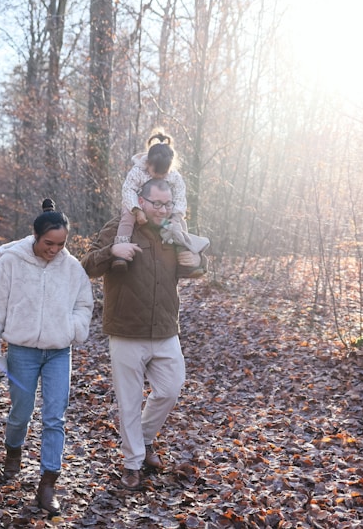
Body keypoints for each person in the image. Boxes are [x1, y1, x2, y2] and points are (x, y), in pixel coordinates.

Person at [81, 178, 207, 491]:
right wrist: (113, 250)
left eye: (167, 204)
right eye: (156, 204)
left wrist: (199, 262)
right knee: (129, 401)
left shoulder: (174, 229)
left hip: (165, 329)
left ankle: (145, 440)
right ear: (141, 200)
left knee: (170, 389)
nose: (162, 210)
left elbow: (194, 265)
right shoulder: (119, 227)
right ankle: (132, 464)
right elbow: (87, 264)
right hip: (126, 330)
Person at [0, 199, 93, 515]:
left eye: (61, 244)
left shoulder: (72, 267)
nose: (54, 250)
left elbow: (84, 304)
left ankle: (48, 482)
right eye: (48, 243)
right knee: (21, 411)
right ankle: (13, 454)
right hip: (22, 351)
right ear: (35, 237)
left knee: (55, 416)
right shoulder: (10, 263)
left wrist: (74, 326)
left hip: (58, 352)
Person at [113, 128, 206, 276]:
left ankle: (184, 252)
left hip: (163, 214)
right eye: (156, 173)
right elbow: (128, 189)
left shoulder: (174, 176)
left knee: (178, 225)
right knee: (126, 218)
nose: (160, 177)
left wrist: (176, 215)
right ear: (147, 163)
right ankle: (121, 250)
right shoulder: (138, 171)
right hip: (137, 205)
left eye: (164, 174)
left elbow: (180, 195)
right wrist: (137, 210)